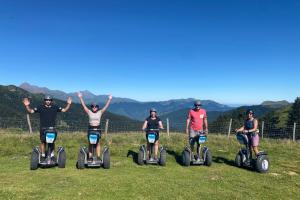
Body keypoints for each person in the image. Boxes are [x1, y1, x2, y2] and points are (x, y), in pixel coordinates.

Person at [77, 92, 112, 159]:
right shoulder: (89, 112)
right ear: (91, 107)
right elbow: (83, 105)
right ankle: (90, 156)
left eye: (96, 106)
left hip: (98, 129)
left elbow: (106, 107)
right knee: (90, 143)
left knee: (98, 143)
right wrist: (80, 97)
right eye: (93, 106)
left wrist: (109, 99)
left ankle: (98, 156)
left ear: (98, 107)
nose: (94, 107)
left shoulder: (100, 112)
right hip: (91, 128)